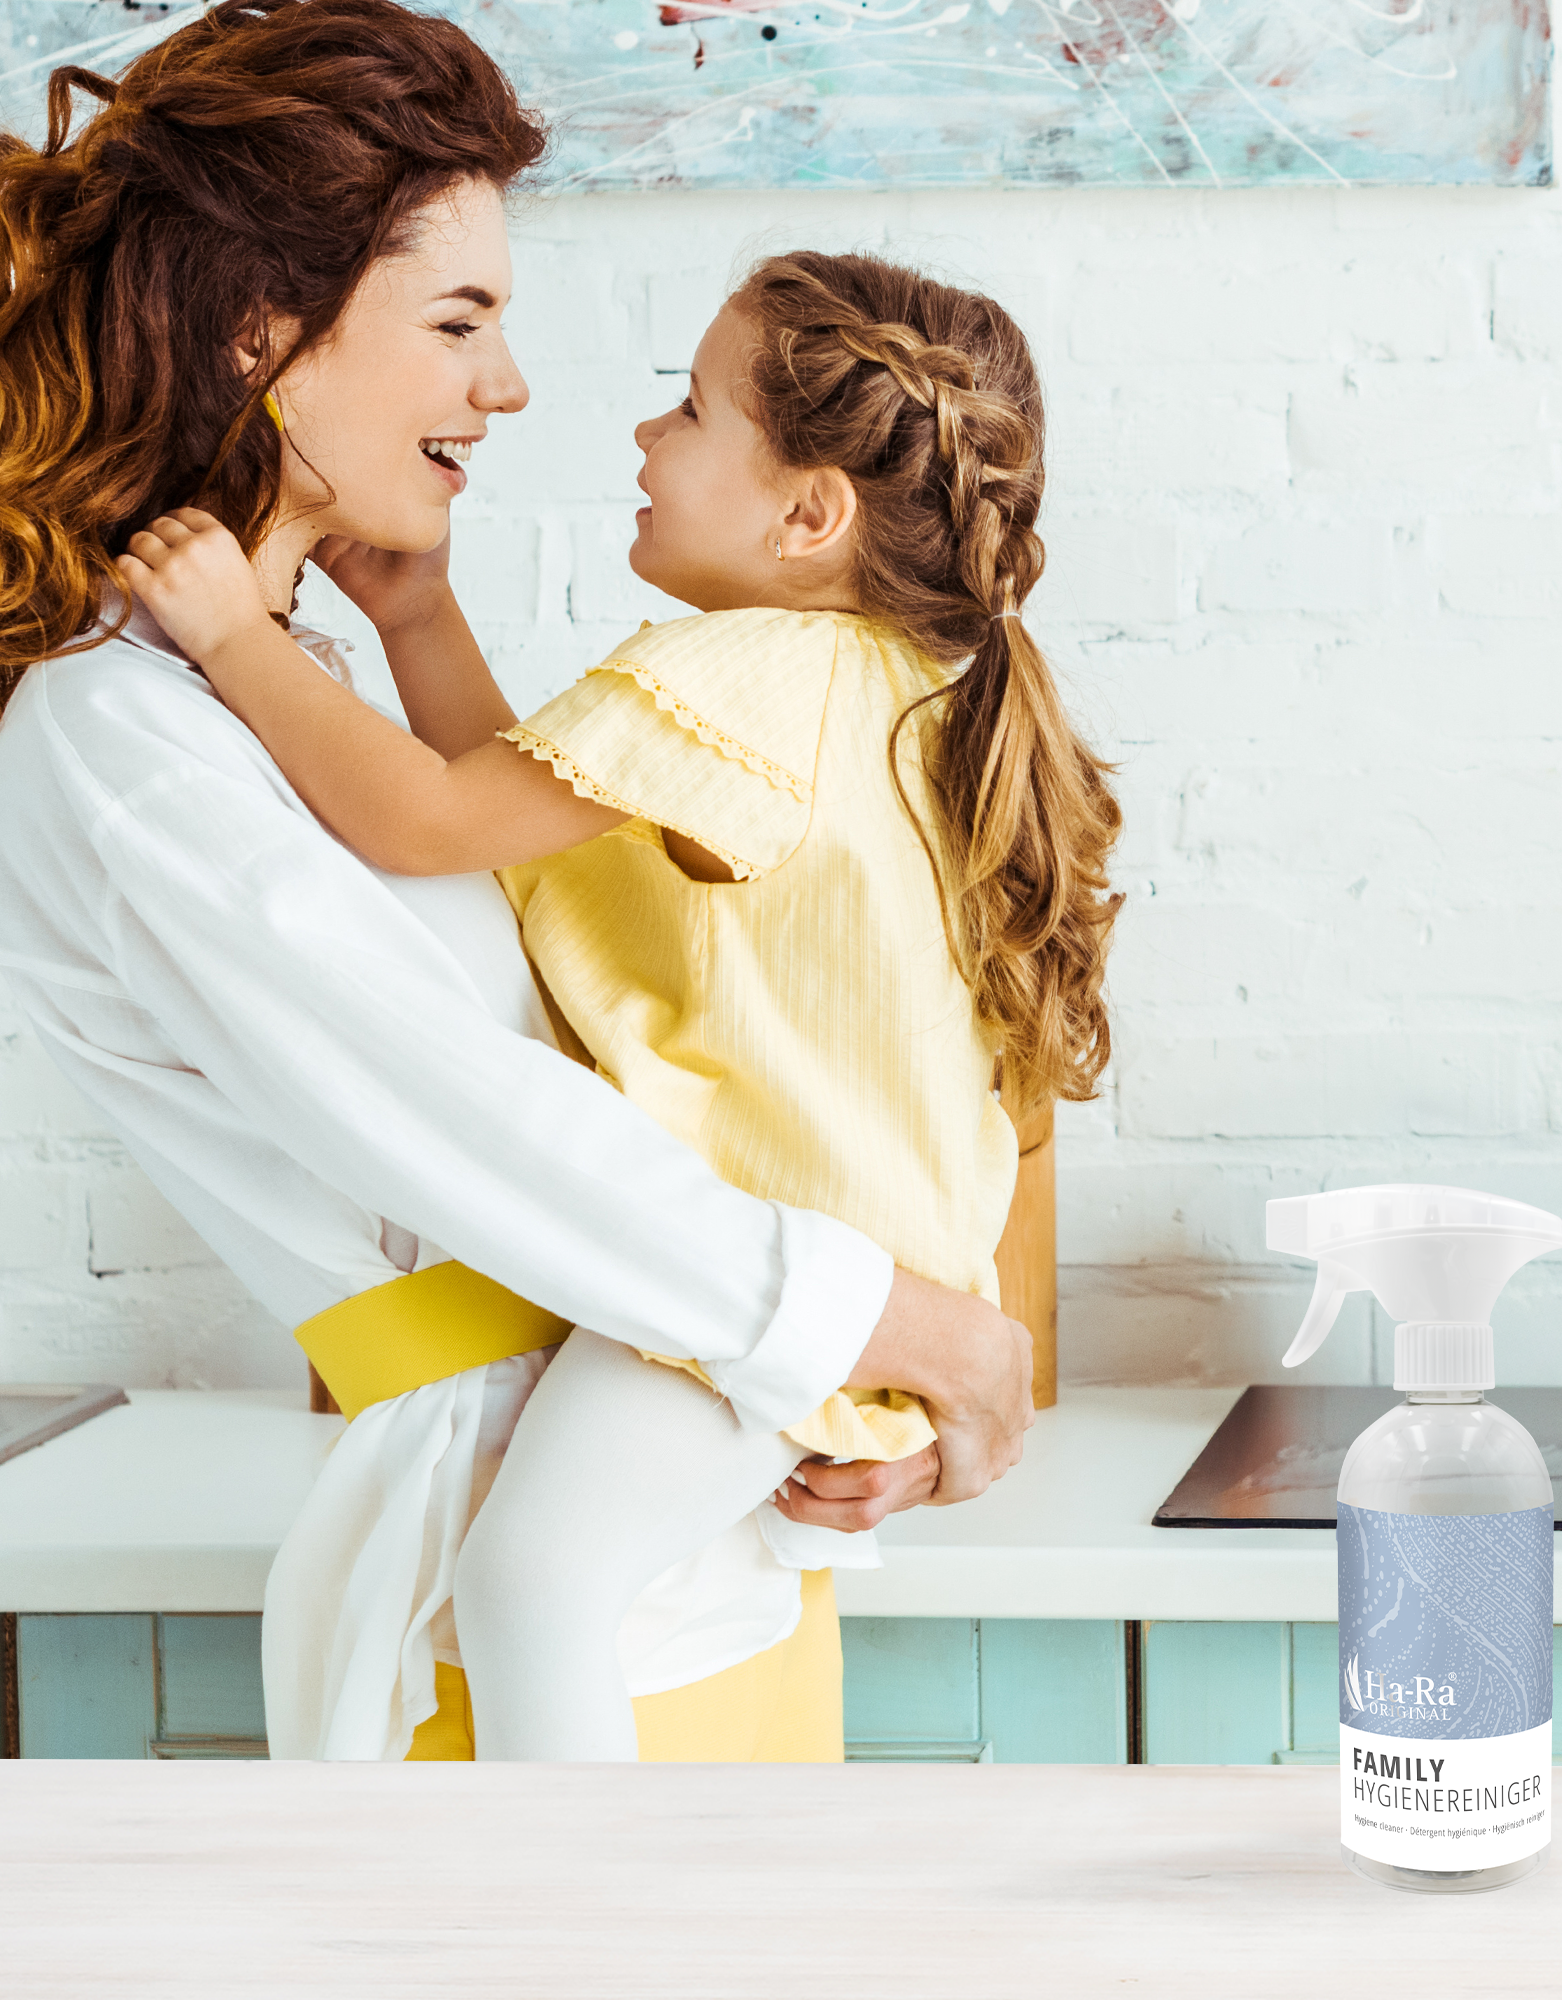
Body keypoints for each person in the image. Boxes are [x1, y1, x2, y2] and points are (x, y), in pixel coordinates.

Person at [0, 0, 1032, 1763]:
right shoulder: (116, 737)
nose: (511, 386)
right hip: (505, 1634)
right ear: (260, 328)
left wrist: (856, 1375)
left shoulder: (291, 680)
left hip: (708, 1573)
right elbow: (482, 1123)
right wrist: (895, 1320)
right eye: (459, 320)